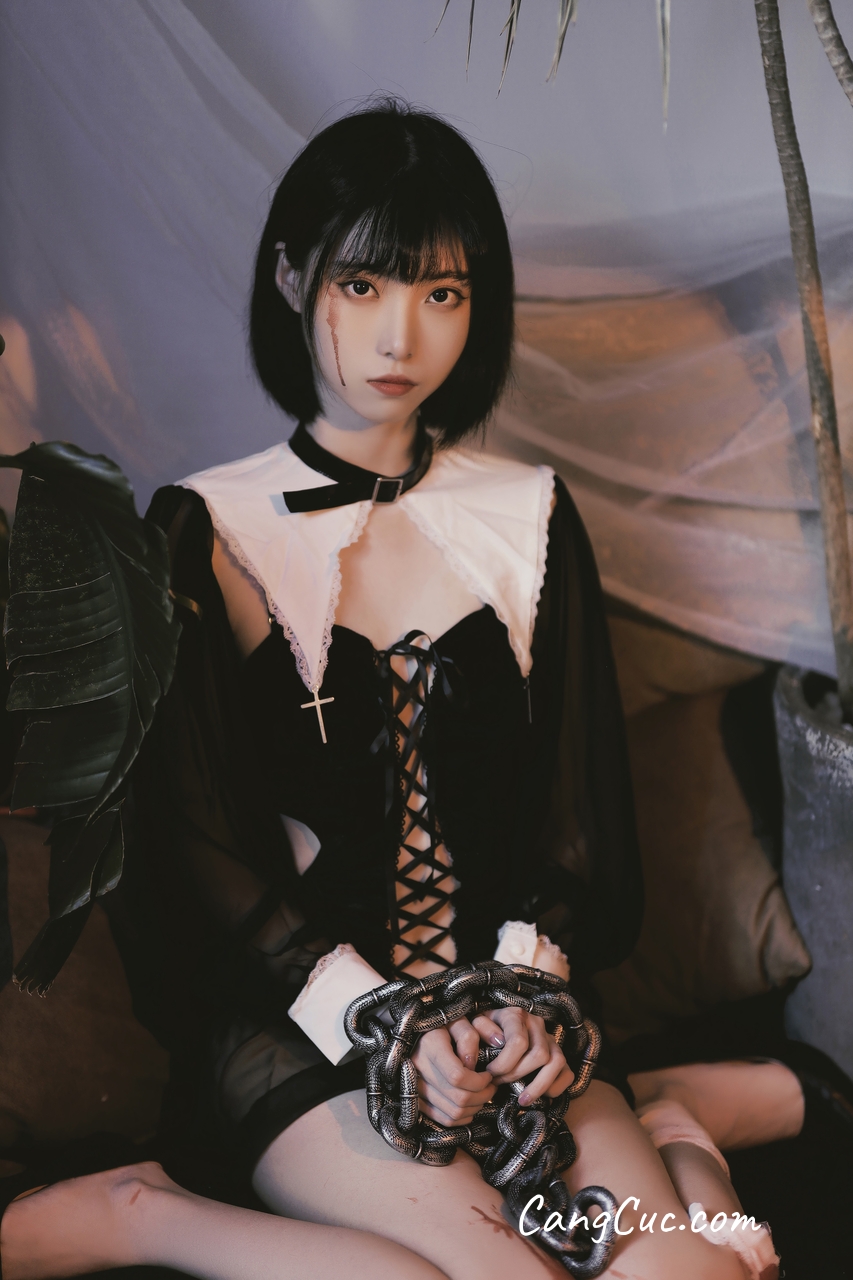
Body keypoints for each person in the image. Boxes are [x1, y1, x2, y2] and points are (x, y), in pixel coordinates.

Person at [0, 102, 794, 1280]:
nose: (400, 334)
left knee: (687, 1275)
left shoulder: (529, 512)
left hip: (507, 1012)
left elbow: (575, 821)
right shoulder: (203, 527)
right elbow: (199, 849)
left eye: (442, 292)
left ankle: (682, 1138)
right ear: (290, 278)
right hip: (304, 1024)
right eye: (362, 284)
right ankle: (145, 1207)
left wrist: (523, 993)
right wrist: (385, 1020)